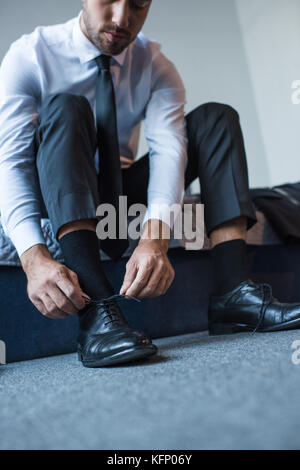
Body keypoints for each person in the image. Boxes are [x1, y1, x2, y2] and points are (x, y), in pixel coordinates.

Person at [1, 0, 300, 368]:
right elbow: (10, 164)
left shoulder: (156, 65)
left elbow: (169, 151)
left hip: (121, 191)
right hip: (57, 189)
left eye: (139, 4)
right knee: (65, 106)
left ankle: (232, 295)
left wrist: (156, 237)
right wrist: (33, 257)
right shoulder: (30, 55)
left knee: (215, 119)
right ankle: (97, 313)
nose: (122, 18)